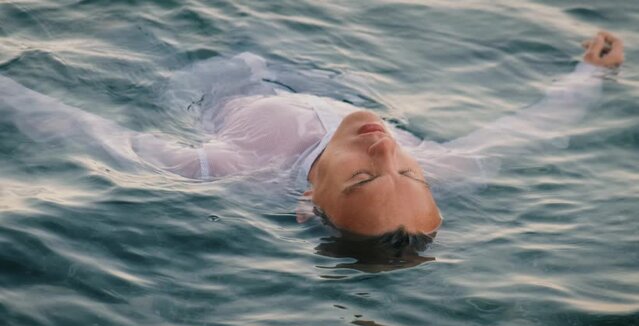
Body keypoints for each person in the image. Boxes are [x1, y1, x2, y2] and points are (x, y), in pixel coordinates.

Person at [0, 31, 624, 239]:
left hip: (210, 82)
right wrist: (588, 76)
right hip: (318, 70)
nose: (385, 147)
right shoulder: (431, 163)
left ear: (309, 203)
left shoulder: (234, 169)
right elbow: (530, 132)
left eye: (362, 176)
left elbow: (83, 129)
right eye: (407, 172)